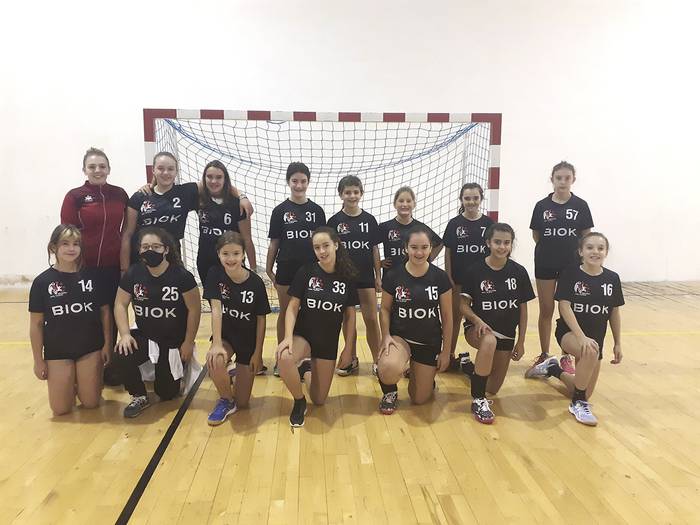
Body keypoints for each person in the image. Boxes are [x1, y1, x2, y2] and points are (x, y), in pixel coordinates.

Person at [526, 232, 623, 426]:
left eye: (600, 248)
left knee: (583, 388)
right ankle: (578, 403)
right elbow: (564, 306)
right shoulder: (571, 274)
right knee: (589, 356)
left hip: (595, 340)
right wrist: (581, 337)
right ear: (580, 251)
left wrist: (618, 343)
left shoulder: (612, 278)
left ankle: (553, 368)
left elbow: (614, 312)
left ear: (606, 252)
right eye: (590, 247)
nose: (595, 251)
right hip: (570, 334)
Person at [114, 227, 201, 418]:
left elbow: (194, 309)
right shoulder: (134, 273)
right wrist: (125, 334)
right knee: (121, 352)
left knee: (166, 393)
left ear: (166, 249)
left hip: (172, 342)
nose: (150, 250)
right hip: (146, 336)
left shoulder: (182, 276)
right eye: (145, 247)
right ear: (139, 250)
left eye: (155, 246)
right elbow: (120, 304)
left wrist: (188, 342)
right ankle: (139, 395)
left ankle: (176, 370)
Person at [276, 227, 359, 427]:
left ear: (336, 245)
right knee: (284, 357)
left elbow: (350, 316)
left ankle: (306, 368)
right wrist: (287, 337)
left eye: (325, 246)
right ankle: (299, 401)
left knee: (320, 400)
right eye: (317, 247)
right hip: (303, 335)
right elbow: (292, 307)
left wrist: (348, 348)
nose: (322, 251)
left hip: (327, 342)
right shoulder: (306, 271)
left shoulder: (348, 276)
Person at [61, 148, 128, 384]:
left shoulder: (120, 194)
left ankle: (110, 365)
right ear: (84, 170)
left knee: (112, 317)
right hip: (84, 270)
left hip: (112, 269)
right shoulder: (75, 196)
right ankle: (86, 367)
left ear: (109, 169)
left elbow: (128, 229)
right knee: (87, 318)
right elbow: (66, 235)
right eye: (92, 167)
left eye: (102, 166)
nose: (97, 170)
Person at [28, 225, 111, 416]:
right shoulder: (42, 282)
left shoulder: (93, 277)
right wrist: (38, 360)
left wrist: (107, 345)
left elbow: (105, 312)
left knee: (91, 403)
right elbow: (36, 324)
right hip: (58, 351)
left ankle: (82, 381)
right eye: (65, 244)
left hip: (90, 348)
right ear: (53, 247)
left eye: (76, 244)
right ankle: (69, 383)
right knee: (61, 409)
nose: (71, 248)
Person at [459, 223, 535, 424]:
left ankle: (467, 367)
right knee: (489, 341)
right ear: (488, 243)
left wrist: (521, 341)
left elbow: (523, 310)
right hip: (478, 330)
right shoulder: (475, 270)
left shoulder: (519, 272)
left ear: (511, 245)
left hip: (507, 334)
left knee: (492, 388)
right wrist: (477, 320)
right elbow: (462, 305)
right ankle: (478, 400)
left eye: (506, 243)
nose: (502, 247)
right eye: (497, 242)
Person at [526, 161, 594, 378]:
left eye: (567, 178)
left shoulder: (581, 205)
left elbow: (586, 236)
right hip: (545, 263)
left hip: (571, 266)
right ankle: (545, 354)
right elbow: (537, 235)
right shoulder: (541, 206)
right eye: (559, 178)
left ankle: (566, 356)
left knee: (568, 311)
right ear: (552, 179)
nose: (563, 182)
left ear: (573, 179)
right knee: (546, 309)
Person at [376, 224, 452, 415]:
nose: (419, 252)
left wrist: (446, 351)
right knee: (388, 368)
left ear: (431, 248)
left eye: (424, 247)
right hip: (401, 337)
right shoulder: (393, 275)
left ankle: (423, 377)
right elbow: (384, 309)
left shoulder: (440, 277)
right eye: (414, 247)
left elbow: (447, 316)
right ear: (406, 248)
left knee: (419, 399)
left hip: (428, 341)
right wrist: (386, 336)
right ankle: (390, 392)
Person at [204, 232, 270, 425]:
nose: (231, 258)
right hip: (227, 337)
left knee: (243, 402)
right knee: (215, 359)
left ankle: (233, 371)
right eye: (225, 253)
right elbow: (216, 309)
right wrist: (217, 344)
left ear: (243, 255)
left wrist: (258, 353)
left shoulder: (256, 283)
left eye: (236, 253)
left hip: (247, 342)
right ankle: (226, 400)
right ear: (218, 254)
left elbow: (261, 319)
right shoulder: (215, 274)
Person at [266, 162, 326, 375]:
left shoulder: (317, 211)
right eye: (294, 181)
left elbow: (323, 243)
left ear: (308, 182)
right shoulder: (280, 211)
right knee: (285, 312)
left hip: (311, 271)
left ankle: (306, 357)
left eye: (303, 181)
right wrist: (268, 269)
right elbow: (274, 243)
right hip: (286, 269)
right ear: (288, 182)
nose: (299, 185)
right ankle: (281, 358)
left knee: (310, 314)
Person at [327, 175, 382, 375]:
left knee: (371, 319)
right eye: (348, 192)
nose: (352, 196)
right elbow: (330, 251)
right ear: (341, 194)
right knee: (347, 320)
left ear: (361, 193)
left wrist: (378, 276)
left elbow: (374, 249)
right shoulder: (334, 221)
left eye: (355, 192)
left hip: (365, 277)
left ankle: (377, 360)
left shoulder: (369, 220)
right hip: (343, 278)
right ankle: (351, 358)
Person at [442, 182, 494, 366]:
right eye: (467, 198)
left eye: (475, 198)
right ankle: (449, 354)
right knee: (455, 317)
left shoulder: (489, 224)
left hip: (482, 282)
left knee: (483, 316)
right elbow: (448, 251)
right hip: (458, 280)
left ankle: (487, 354)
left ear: (481, 199)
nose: (471, 202)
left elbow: (493, 252)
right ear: (461, 200)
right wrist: (448, 275)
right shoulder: (455, 224)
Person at [196, 160, 256, 285]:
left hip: (232, 261)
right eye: (209, 177)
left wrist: (253, 269)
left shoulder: (237, 203)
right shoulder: (199, 198)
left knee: (234, 296)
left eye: (219, 177)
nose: (214, 181)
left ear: (225, 179)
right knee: (212, 297)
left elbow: (247, 239)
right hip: (205, 261)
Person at [378, 186, 442, 271]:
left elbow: (439, 243)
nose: (405, 204)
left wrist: (426, 260)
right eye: (401, 201)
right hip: (390, 276)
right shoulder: (385, 227)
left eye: (408, 201)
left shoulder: (421, 227)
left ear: (414, 204)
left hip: (415, 276)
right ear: (394, 204)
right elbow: (372, 245)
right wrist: (378, 263)